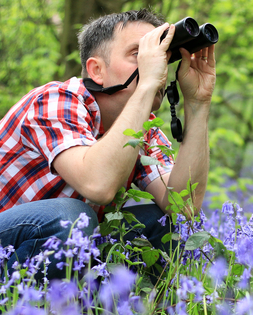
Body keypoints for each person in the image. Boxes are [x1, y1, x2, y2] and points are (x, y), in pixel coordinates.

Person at [0, 9, 215, 279]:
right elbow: (97, 185)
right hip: (6, 242)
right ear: (97, 70)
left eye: (163, 56)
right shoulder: (56, 99)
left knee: (161, 221)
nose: (158, 67)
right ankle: (25, 313)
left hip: (52, 256)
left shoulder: (143, 129)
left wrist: (198, 103)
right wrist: (146, 83)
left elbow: (183, 206)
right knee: (71, 216)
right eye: (140, 54)